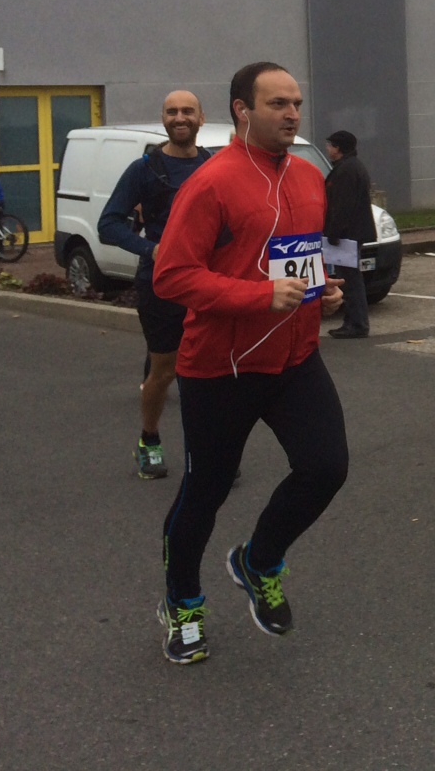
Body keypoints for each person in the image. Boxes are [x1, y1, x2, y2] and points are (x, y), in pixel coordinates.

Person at [150, 62, 348, 665]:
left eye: (296, 103)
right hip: (223, 367)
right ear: (243, 110)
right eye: (278, 104)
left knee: (326, 467)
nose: (292, 114)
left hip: (295, 357)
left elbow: (297, 259)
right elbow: (171, 276)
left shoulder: (309, 176)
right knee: (205, 492)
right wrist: (259, 296)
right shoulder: (211, 183)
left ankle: (258, 561)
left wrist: (321, 290)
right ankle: (182, 605)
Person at [97, 90, 212, 480]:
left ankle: (208, 452)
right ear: (163, 118)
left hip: (208, 284)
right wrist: (152, 249)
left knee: (210, 372)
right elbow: (109, 223)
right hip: (162, 286)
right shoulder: (143, 169)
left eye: (188, 111)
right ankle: (149, 439)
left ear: (201, 118)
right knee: (164, 371)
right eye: (172, 111)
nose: (180, 117)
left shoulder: (213, 166)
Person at [323, 130, 375, 340]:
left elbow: (342, 206)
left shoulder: (346, 170)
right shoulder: (352, 166)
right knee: (351, 278)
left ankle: (356, 323)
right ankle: (353, 321)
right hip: (353, 233)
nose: (328, 149)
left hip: (347, 235)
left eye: (330, 145)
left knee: (349, 280)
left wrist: (333, 233)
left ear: (338, 148)